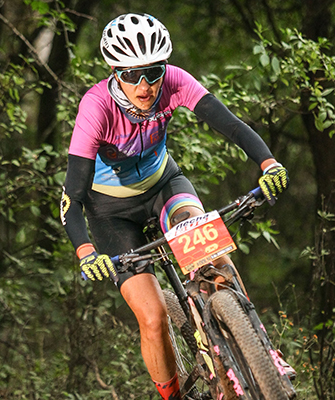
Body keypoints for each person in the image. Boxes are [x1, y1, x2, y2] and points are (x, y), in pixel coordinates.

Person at [60, 13, 292, 399]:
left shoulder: (174, 82)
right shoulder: (96, 107)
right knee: (153, 318)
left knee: (213, 259)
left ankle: (261, 350)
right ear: (115, 72)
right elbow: (73, 196)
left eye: (153, 72)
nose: (145, 85)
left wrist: (268, 163)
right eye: (132, 74)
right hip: (111, 212)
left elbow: (232, 125)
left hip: (164, 186)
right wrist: (86, 253)